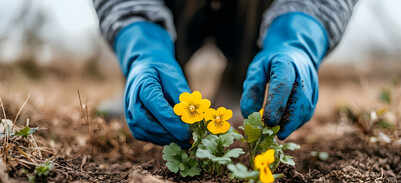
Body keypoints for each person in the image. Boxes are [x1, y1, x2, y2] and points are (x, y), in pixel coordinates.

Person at [93, 0, 358, 147]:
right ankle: (158, 84)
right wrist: (142, 47)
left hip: (258, 13)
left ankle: (242, 81)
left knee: (242, 112)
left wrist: (297, 38)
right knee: (159, 96)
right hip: (171, 9)